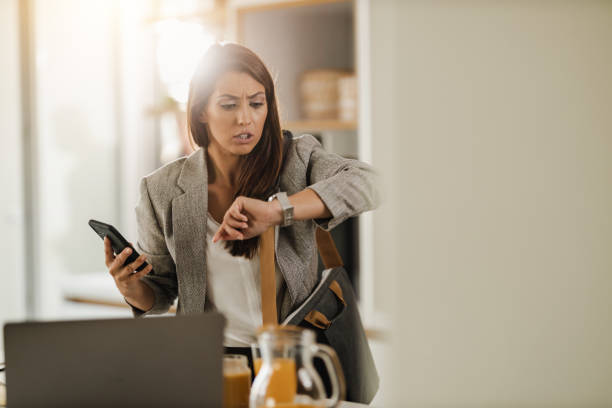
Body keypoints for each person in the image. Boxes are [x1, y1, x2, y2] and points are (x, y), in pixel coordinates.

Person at [103, 42, 379, 348]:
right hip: (210, 365)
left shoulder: (296, 160)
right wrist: (130, 288)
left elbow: (369, 182)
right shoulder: (161, 189)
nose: (245, 119)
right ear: (202, 111)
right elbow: (160, 292)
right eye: (229, 104)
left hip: (293, 360)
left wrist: (278, 211)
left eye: (256, 104)